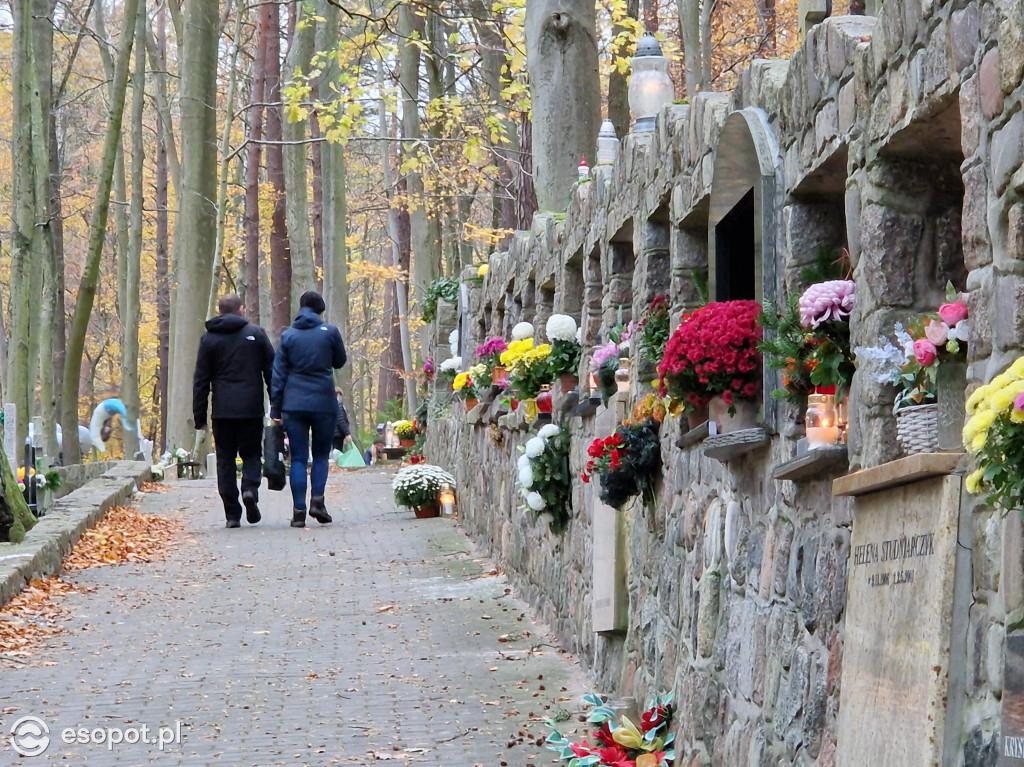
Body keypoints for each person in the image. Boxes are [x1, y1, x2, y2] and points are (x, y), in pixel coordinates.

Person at [192, 294, 275, 528]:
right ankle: (249, 488)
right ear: (240, 309)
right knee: (251, 454)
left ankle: (232, 514)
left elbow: (201, 380)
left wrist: (200, 416)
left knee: (225, 460)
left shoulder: (208, 340)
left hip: (222, 411)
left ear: (219, 311)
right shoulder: (256, 334)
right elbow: (271, 371)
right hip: (250, 408)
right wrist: (276, 402)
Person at [271, 290, 347, 528]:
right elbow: (340, 361)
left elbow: (278, 374)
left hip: (294, 403)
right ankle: (318, 501)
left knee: (298, 458)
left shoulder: (288, 336)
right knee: (321, 454)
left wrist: (276, 407)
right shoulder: (330, 332)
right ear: (320, 310)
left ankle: (298, 512)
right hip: (324, 400)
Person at [333, 388, 353, 453]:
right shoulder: (337, 404)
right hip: (337, 435)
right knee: (337, 453)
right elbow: (340, 419)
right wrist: (347, 433)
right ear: (338, 394)